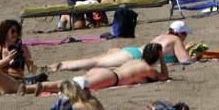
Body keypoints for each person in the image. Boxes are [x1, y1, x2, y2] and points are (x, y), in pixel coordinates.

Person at [50, 22, 200, 73]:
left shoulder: (164, 36)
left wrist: (186, 47)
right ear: (181, 33)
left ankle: (62, 65)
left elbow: (167, 54)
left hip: (132, 52)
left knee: (96, 61)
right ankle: (62, 66)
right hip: (133, 57)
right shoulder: (175, 39)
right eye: (185, 35)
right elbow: (185, 61)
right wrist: (197, 56)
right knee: (94, 63)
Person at [38, 43, 168, 94]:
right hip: (111, 77)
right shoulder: (148, 69)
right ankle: (39, 86)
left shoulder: (135, 61)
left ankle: (32, 87)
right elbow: (164, 76)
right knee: (72, 86)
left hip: (105, 71)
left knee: (75, 82)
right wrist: (162, 58)